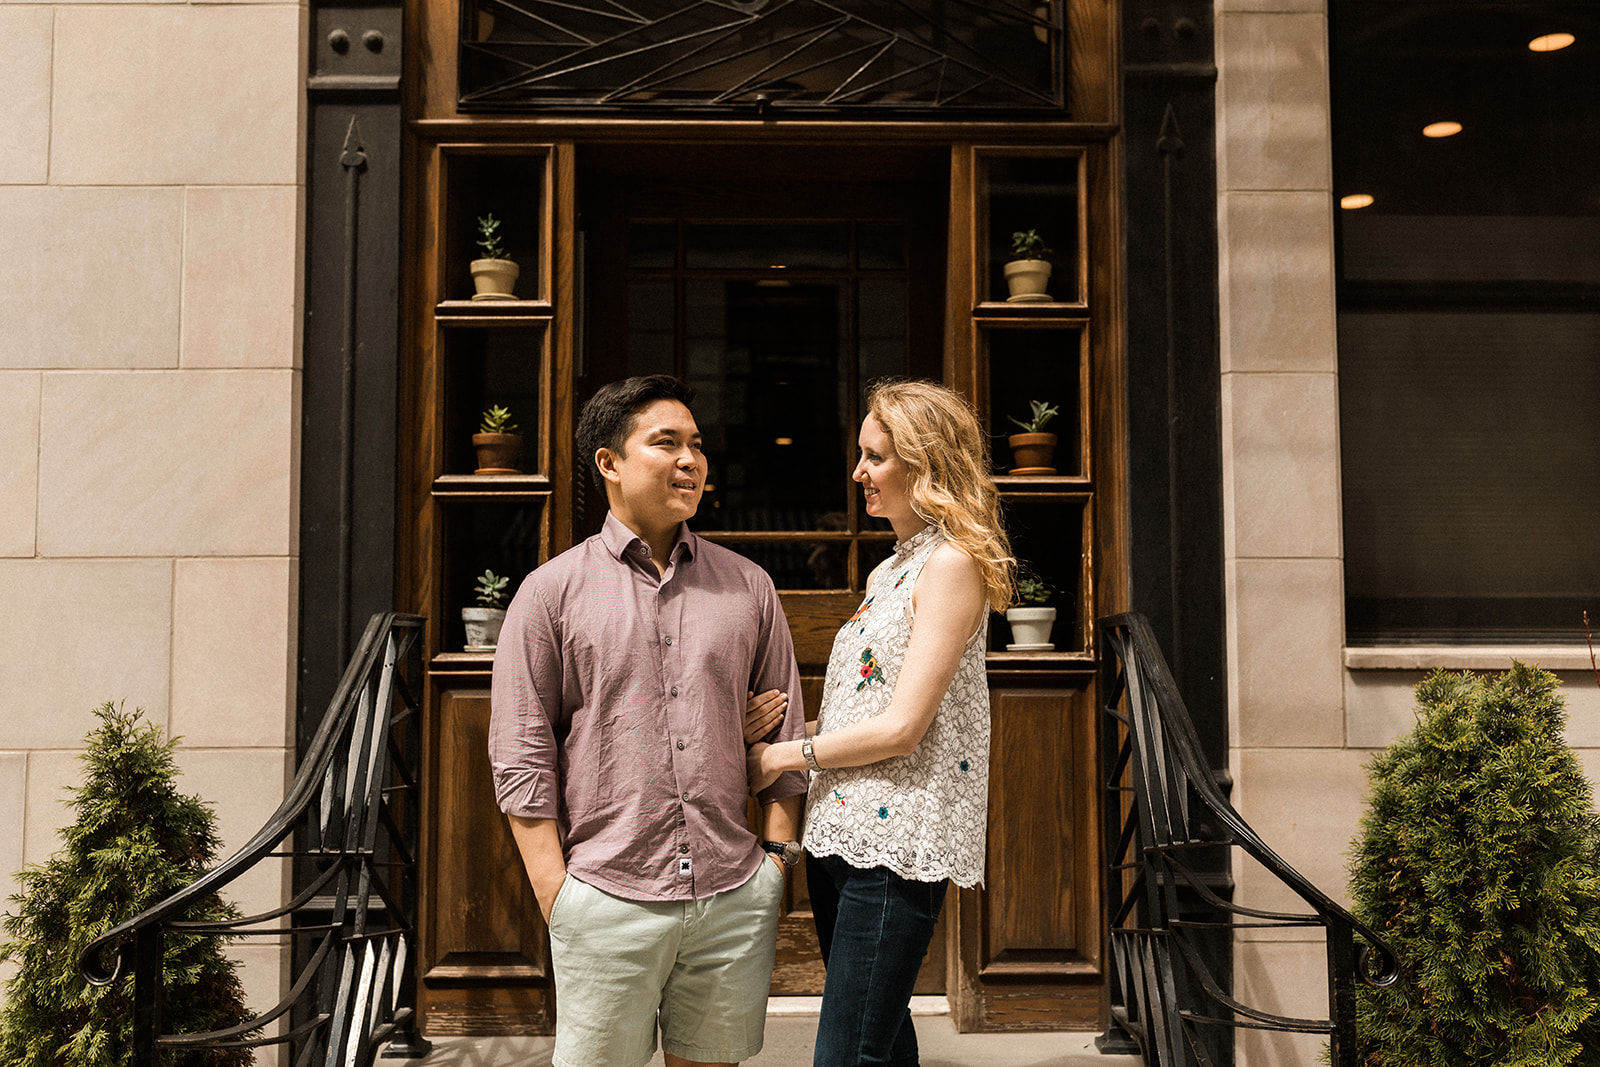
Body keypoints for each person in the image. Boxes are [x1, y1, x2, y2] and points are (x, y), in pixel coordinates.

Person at [488, 374, 809, 1067]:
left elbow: (787, 733)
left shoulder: (747, 585)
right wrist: (559, 896)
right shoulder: (550, 593)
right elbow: (520, 754)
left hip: (730, 893)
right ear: (609, 462)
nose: (690, 460)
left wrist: (777, 863)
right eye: (667, 443)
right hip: (606, 895)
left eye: (697, 445)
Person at [747, 378, 1015, 1067]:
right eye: (861, 454)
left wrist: (785, 757)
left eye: (876, 456)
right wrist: (784, 726)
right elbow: (863, 710)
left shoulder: (953, 563)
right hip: (840, 838)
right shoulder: (889, 570)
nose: (859, 471)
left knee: (845, 1056)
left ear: (925, 463)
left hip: (892, 855)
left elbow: (902, 728)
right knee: (884, 1048)